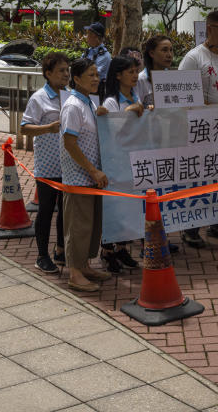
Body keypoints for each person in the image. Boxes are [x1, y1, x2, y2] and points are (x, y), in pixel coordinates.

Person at [177, 9, 218, 248]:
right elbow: (183, 96)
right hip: (202, 131)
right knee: (200, 179)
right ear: (209, 30)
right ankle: (190, 228)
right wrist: (212, 108)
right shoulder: (194, 58)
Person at [60, 58, 111, 292]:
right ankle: (75, 273)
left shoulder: (88, 103)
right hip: (79, 178)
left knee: (91, 225)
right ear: (76, 79)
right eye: (89, 75)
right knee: (78, 226)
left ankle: (85, 265)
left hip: (92, 177)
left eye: (96, 74)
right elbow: (70, 143)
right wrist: (92, 170)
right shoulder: (73, 106)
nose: (95, 79)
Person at [21, 52, 70, 274]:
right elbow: (24, 127)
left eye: (67, 70)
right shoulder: (39, 98)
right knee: (46, 211)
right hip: (48, 166)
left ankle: (61, 250)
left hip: (69, 164)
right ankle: (42, 255)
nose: (66, 75)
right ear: (48, 73)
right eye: (61, 71)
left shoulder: (71, 96)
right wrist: (48, 128)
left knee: (65, 211)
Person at [99, 56, 144, 273]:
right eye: (130, 72)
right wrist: (130, 111)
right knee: (114, 208)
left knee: (129, 207)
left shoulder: (136, 96)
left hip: (132, 161)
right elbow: (114, 131)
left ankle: (122, 248)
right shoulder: (111, 102)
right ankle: (107, 252)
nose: (135, 76)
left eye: (136, 71)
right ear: (118, 75)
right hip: (116, 163)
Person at [137, 34, 175, 107]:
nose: (169, 55)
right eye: (164, 50)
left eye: (171, 50)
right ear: (152, 53)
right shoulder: (140, 80)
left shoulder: (173, 78)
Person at [82, 21, 110, 96]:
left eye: (89, 34)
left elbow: (93, 74)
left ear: (96, 37)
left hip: (96, 92)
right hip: (83, 89)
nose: (86, 36)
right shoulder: (88, 52)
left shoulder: (104, 55)